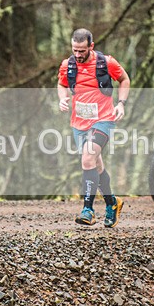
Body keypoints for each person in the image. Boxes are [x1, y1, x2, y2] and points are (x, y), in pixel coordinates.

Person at [58, 28, 131, 227]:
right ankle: (112, 202)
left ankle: (87, 210)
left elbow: (124, 79)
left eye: (82, 50)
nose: (78, 55)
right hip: (79, 122)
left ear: (91, 46)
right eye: (75, 50)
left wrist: (121, 103)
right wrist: (63, 99)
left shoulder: (107, 63)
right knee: (96, 165)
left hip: (104, 119)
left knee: (88, 157)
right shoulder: (68, 65)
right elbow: (62, 84)